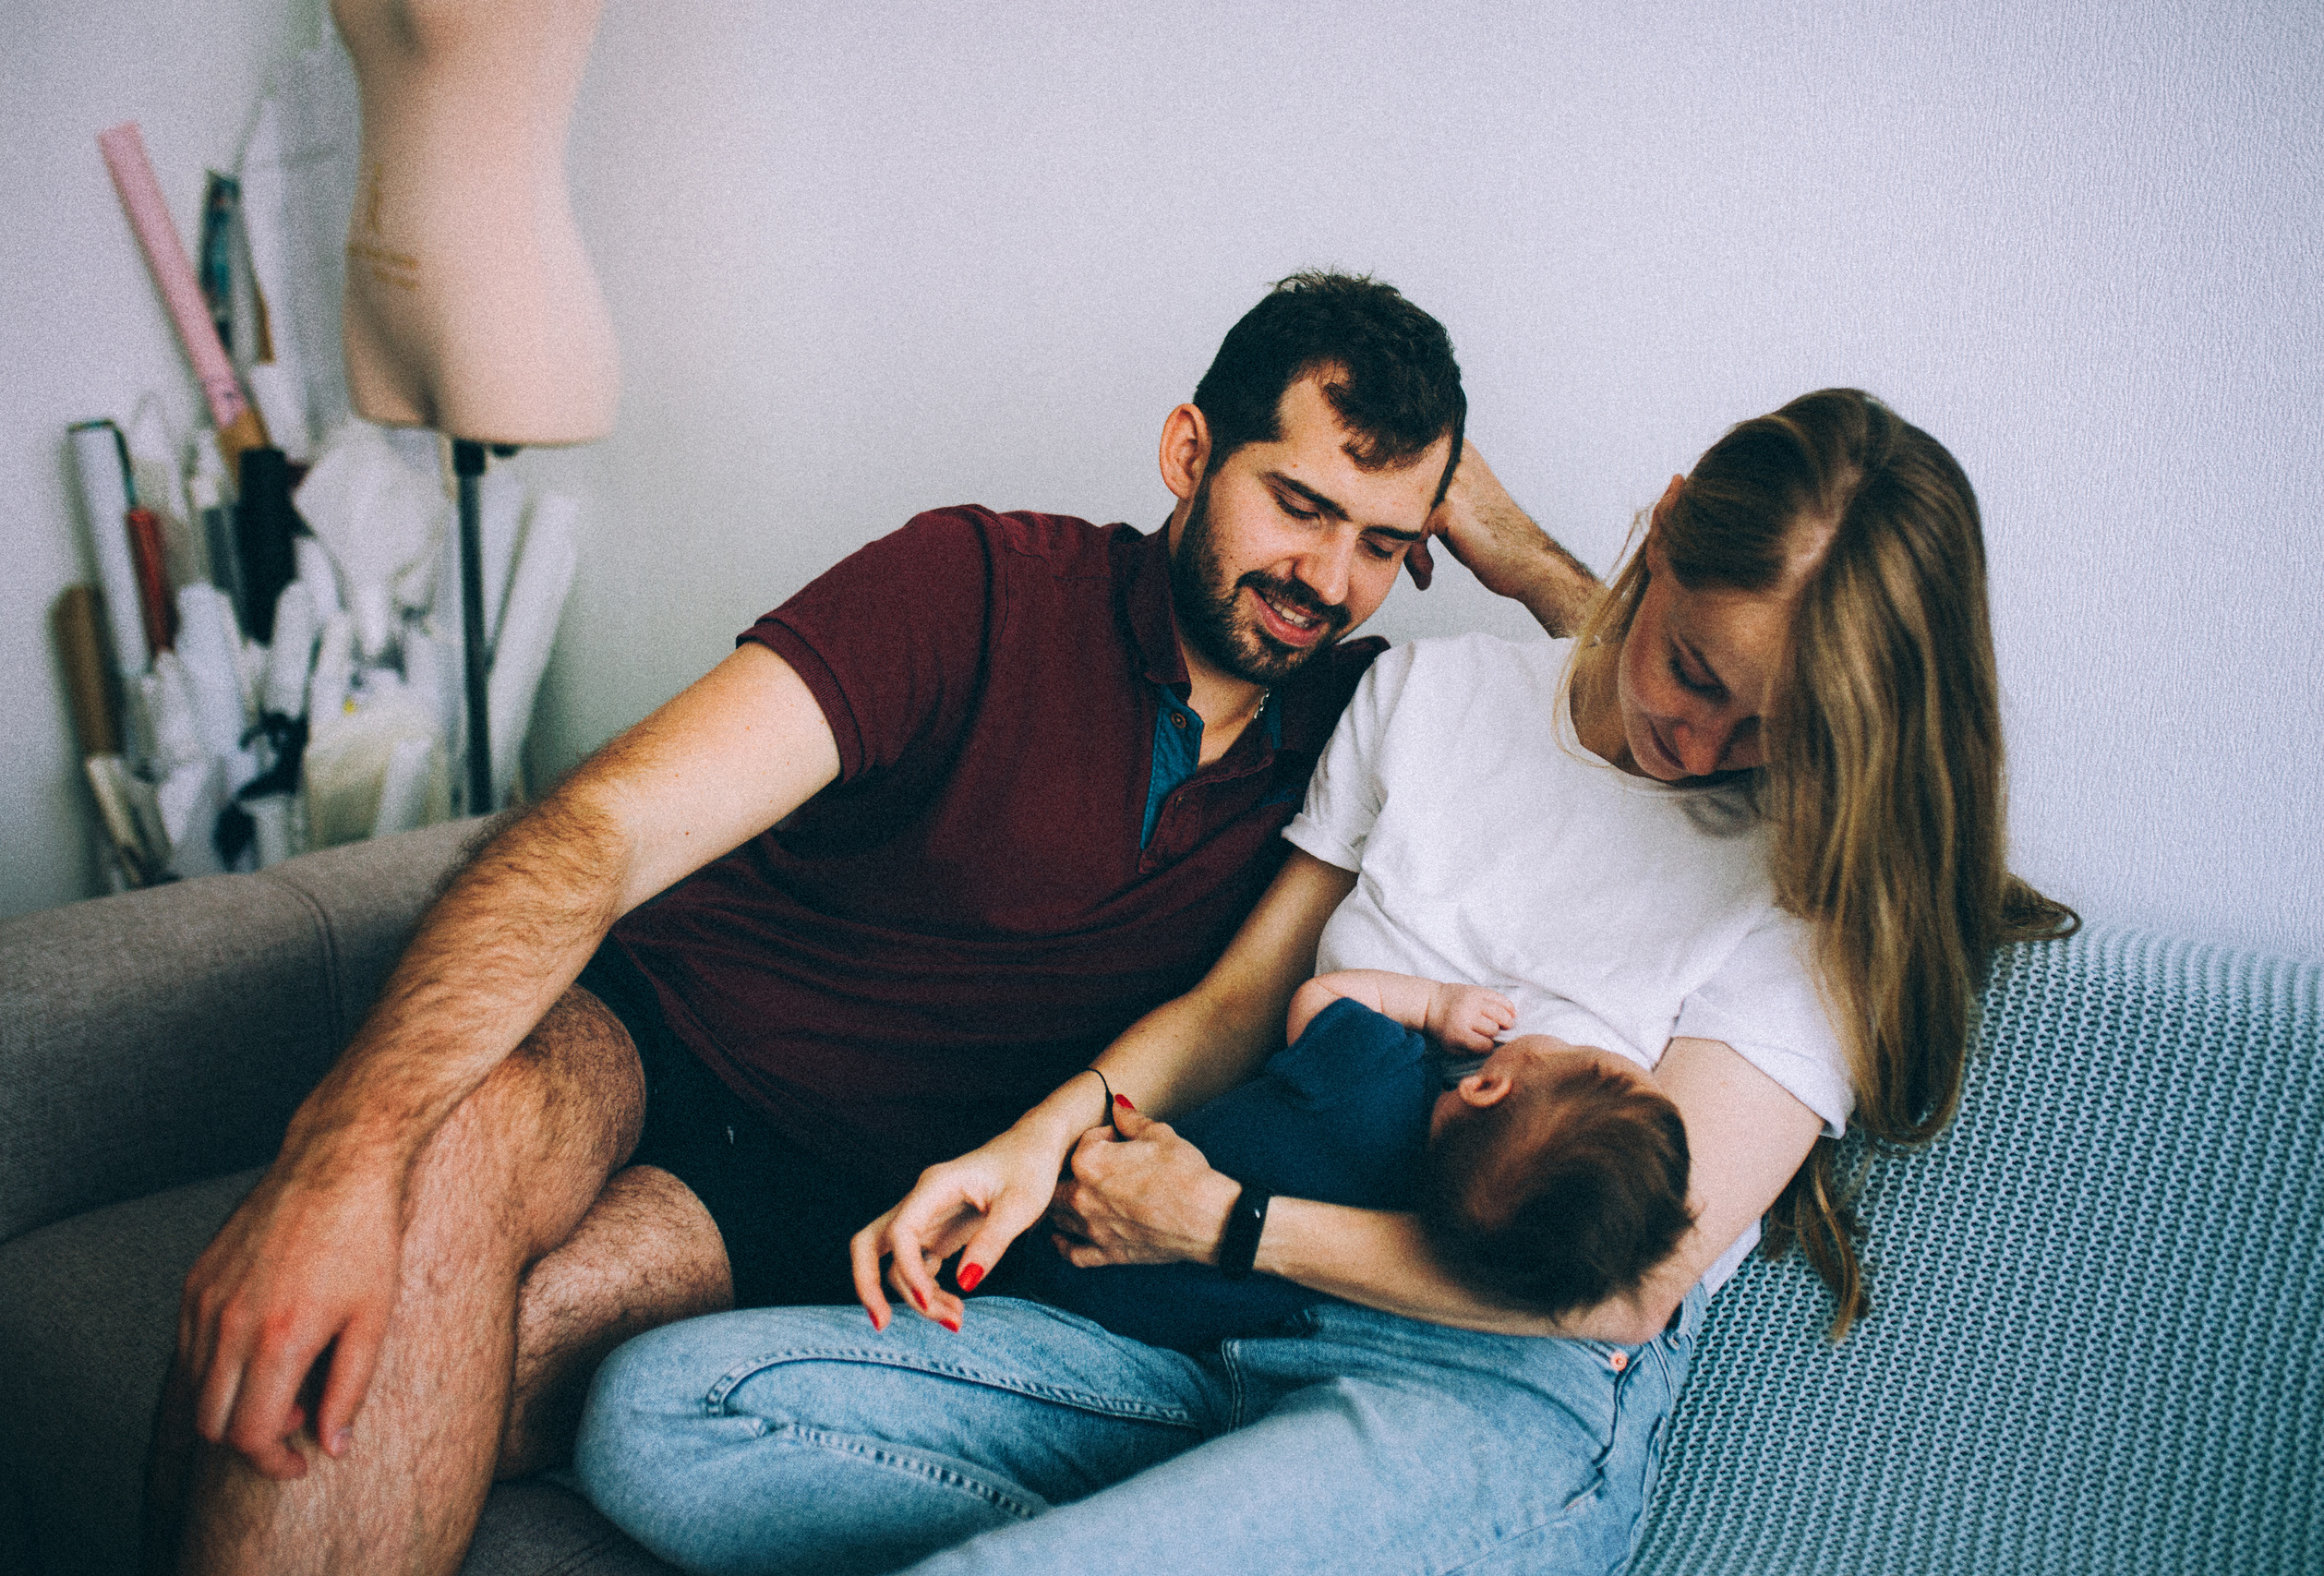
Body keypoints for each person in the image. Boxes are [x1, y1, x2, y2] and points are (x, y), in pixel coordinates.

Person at [145, 271, 1601, 1576]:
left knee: (477, 1351)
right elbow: (592, 834)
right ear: (1188, 452)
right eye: (1299, 504)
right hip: (660, 1029)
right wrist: (336, 1162)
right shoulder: (976, 584)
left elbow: (1677, 727)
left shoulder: (1369, 731)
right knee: (450, 1153)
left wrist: (1519, 552)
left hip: (828, 1199)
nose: (1327, 581)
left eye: (1381, 542)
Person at [572, 388, 2079, 1576]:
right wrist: (1035, 1147)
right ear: (1668, 526)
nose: (1701, 743)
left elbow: (1624, 1279)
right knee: (657, 1417)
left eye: (1771, 726)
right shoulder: (1438, 696)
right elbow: (1238, 1005)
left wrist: (1227, 1216)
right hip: (1193, 1327)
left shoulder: (1818, 893)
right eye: (1691, 666)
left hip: (1475, 1382)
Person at [1011, 970, 1694, 1351]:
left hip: (1081, 1216)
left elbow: (1315, 999)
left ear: (1487, 1083)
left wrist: (1432, 1003)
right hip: (1164, 1331)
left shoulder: (1377, 1069)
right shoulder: (1421, 1221)